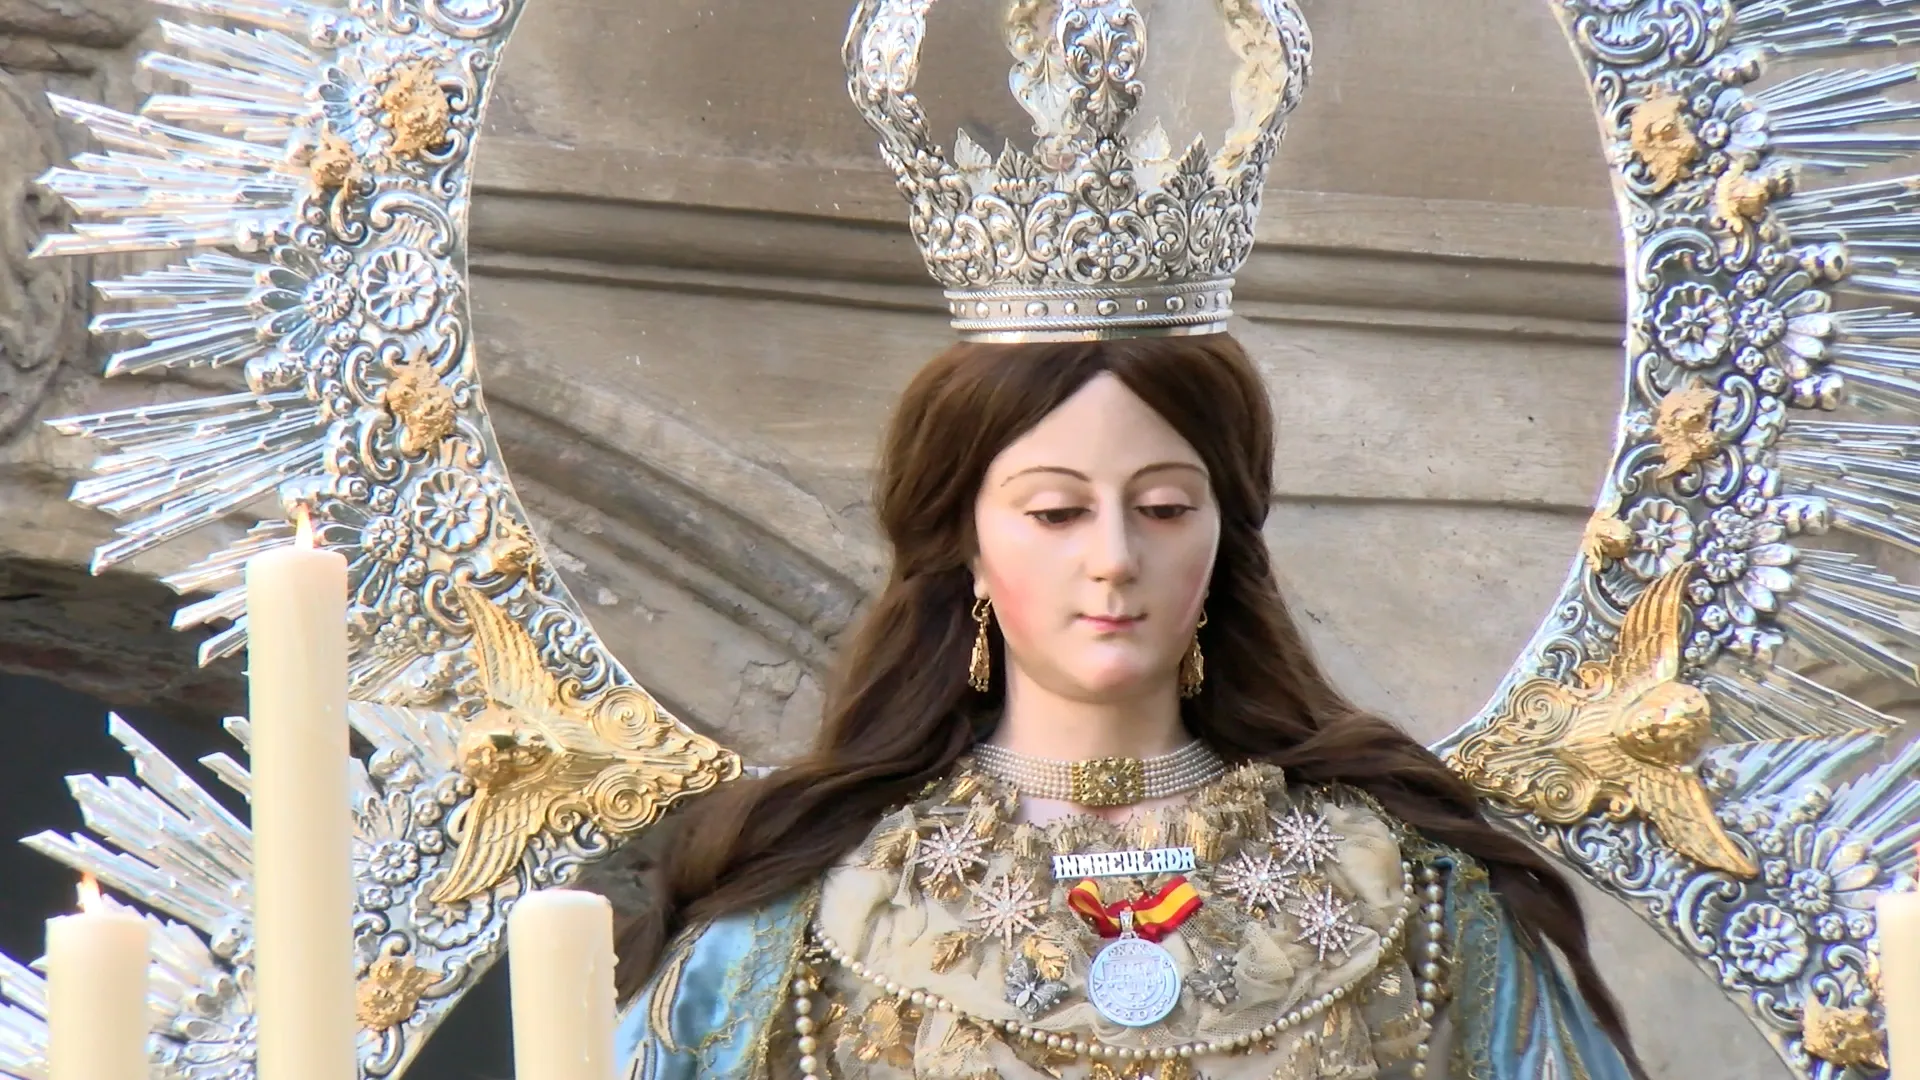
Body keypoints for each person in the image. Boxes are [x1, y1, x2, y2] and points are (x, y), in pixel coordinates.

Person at [611, 3, 1647, 1078]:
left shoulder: (1410, 895)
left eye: (1162, 509)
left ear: (1223, 535)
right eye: (1056, 513)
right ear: (966, 544)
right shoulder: (811, 912)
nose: (1113, 557)